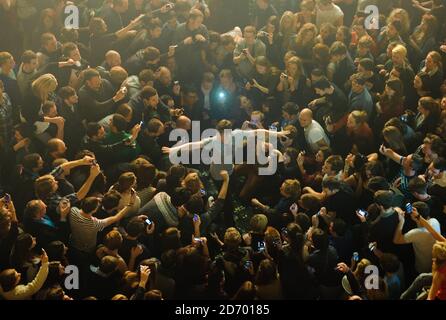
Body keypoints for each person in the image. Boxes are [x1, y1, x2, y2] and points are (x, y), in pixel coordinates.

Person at [393, 202, 440, 274]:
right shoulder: (434, 221)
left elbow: (396, 240)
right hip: (436, 263)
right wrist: (418, 217)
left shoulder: (416, 233)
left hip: (423, 267)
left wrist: (401, 221)